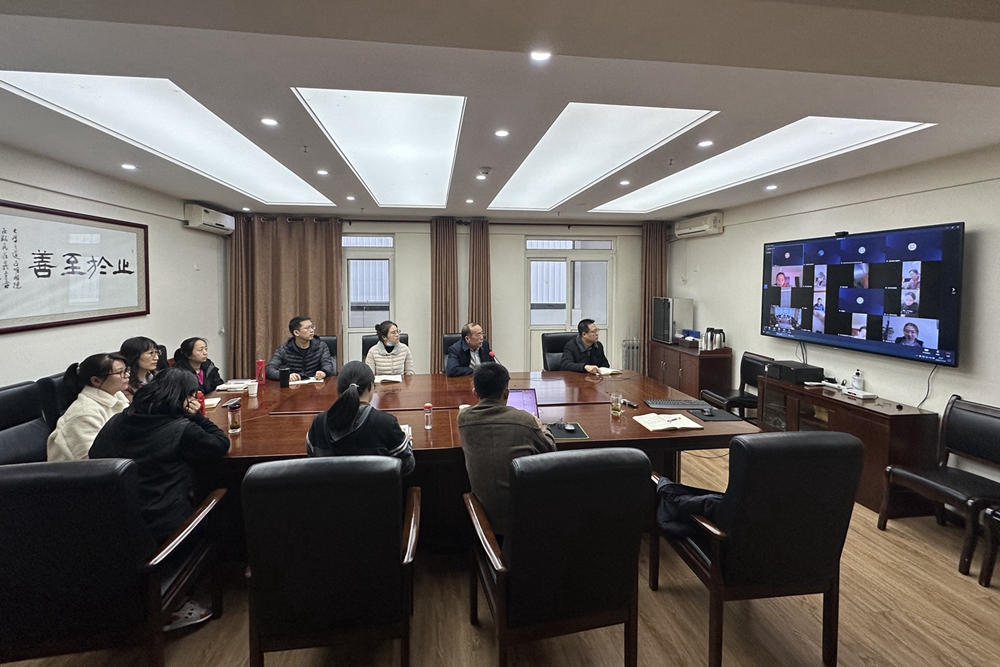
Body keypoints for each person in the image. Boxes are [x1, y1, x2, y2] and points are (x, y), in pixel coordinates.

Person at [90, 367, 229, 632]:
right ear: (183, 398)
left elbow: (97, 459)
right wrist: (195, 415)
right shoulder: (181, 428)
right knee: (218, 501)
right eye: (192, 395)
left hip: (115, 521)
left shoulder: (117, 421)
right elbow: (220, 444)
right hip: (163, 523)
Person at [457, 363, 556, 538]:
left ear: (475, 393)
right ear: (506, 393)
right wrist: (541, 426)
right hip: (525, 516)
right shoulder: (525, 420)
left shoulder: (463, 419)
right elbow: (550, 449)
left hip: (484, 517)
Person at [305, 361, 415, 475]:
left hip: (331, 487)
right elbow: (407, 466)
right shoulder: (386, 423)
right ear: (371, 387)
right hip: (374, 487)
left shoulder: (319, 423)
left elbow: (312, 460)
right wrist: (406, 442)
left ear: (338, 390)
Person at [47, 352, 131, 462]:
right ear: (96, 381)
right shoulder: (84, 413)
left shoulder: (117, 395)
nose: (127, 375)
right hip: (74, 470)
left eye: (126, 370)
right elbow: (92, 459)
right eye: (120, 372)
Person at [266, 315, 334, 382]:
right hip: (293, 386)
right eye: (307, 328)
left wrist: (323, 372)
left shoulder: (321, 346)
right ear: (296, 333)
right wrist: (286, 376)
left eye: (312, 327)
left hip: (315, 385)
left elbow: (328, 365)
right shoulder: (284, 349)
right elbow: (269, 369)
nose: (312, 330)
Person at [120, 336, 161, 400]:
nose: (156, 358)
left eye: (157, 353)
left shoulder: (159, 376)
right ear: (134, 356)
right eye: (151, 353)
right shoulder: (124, 385)